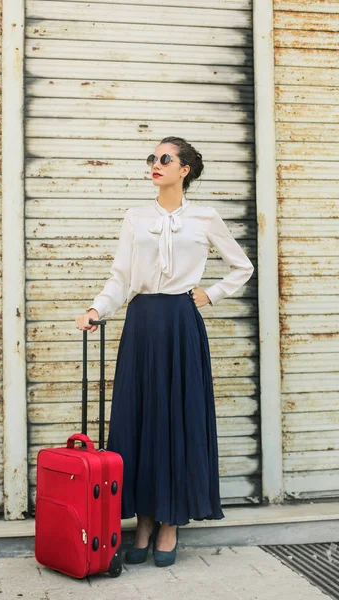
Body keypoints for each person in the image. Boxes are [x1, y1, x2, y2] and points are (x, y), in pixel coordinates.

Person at [75, 136, 254, 567]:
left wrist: (209, 295)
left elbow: (242, 266)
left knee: (177, 417)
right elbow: (120, 276)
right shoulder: (136, 217)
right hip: (142, 323)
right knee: (140, 419)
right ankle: (145, 521)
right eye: (152, 158)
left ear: (184, 169)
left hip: (181, 324)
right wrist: (97, 308)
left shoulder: (205, 217)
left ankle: (171, 521)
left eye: (165, 158)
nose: (155, 164)